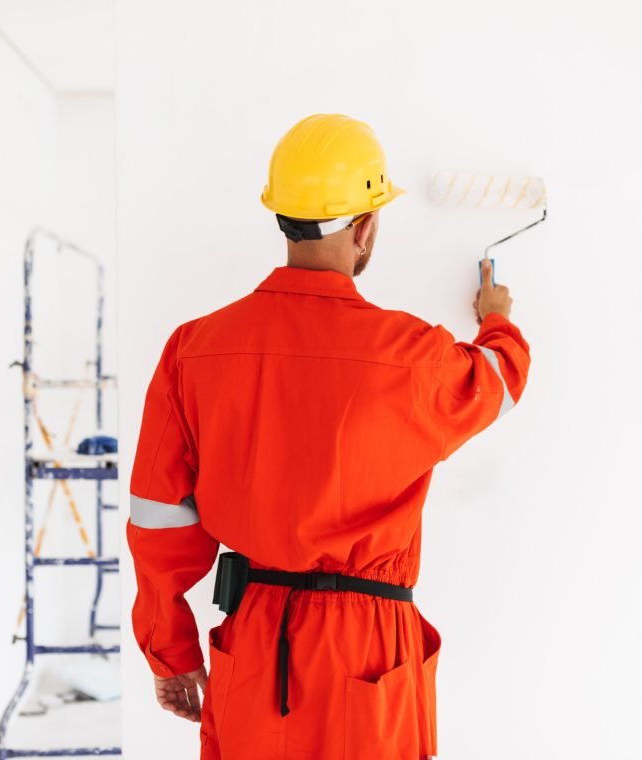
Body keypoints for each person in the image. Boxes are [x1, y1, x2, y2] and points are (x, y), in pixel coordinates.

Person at [126, 113, 531, 760]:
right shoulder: (410, 357)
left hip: (253, 641)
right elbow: (499, 380)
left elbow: (159, 519)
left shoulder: (194, 351)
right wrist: (497, 321)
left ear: (282, 218)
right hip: (369, 653)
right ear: (366, 226)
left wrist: (169, 651)